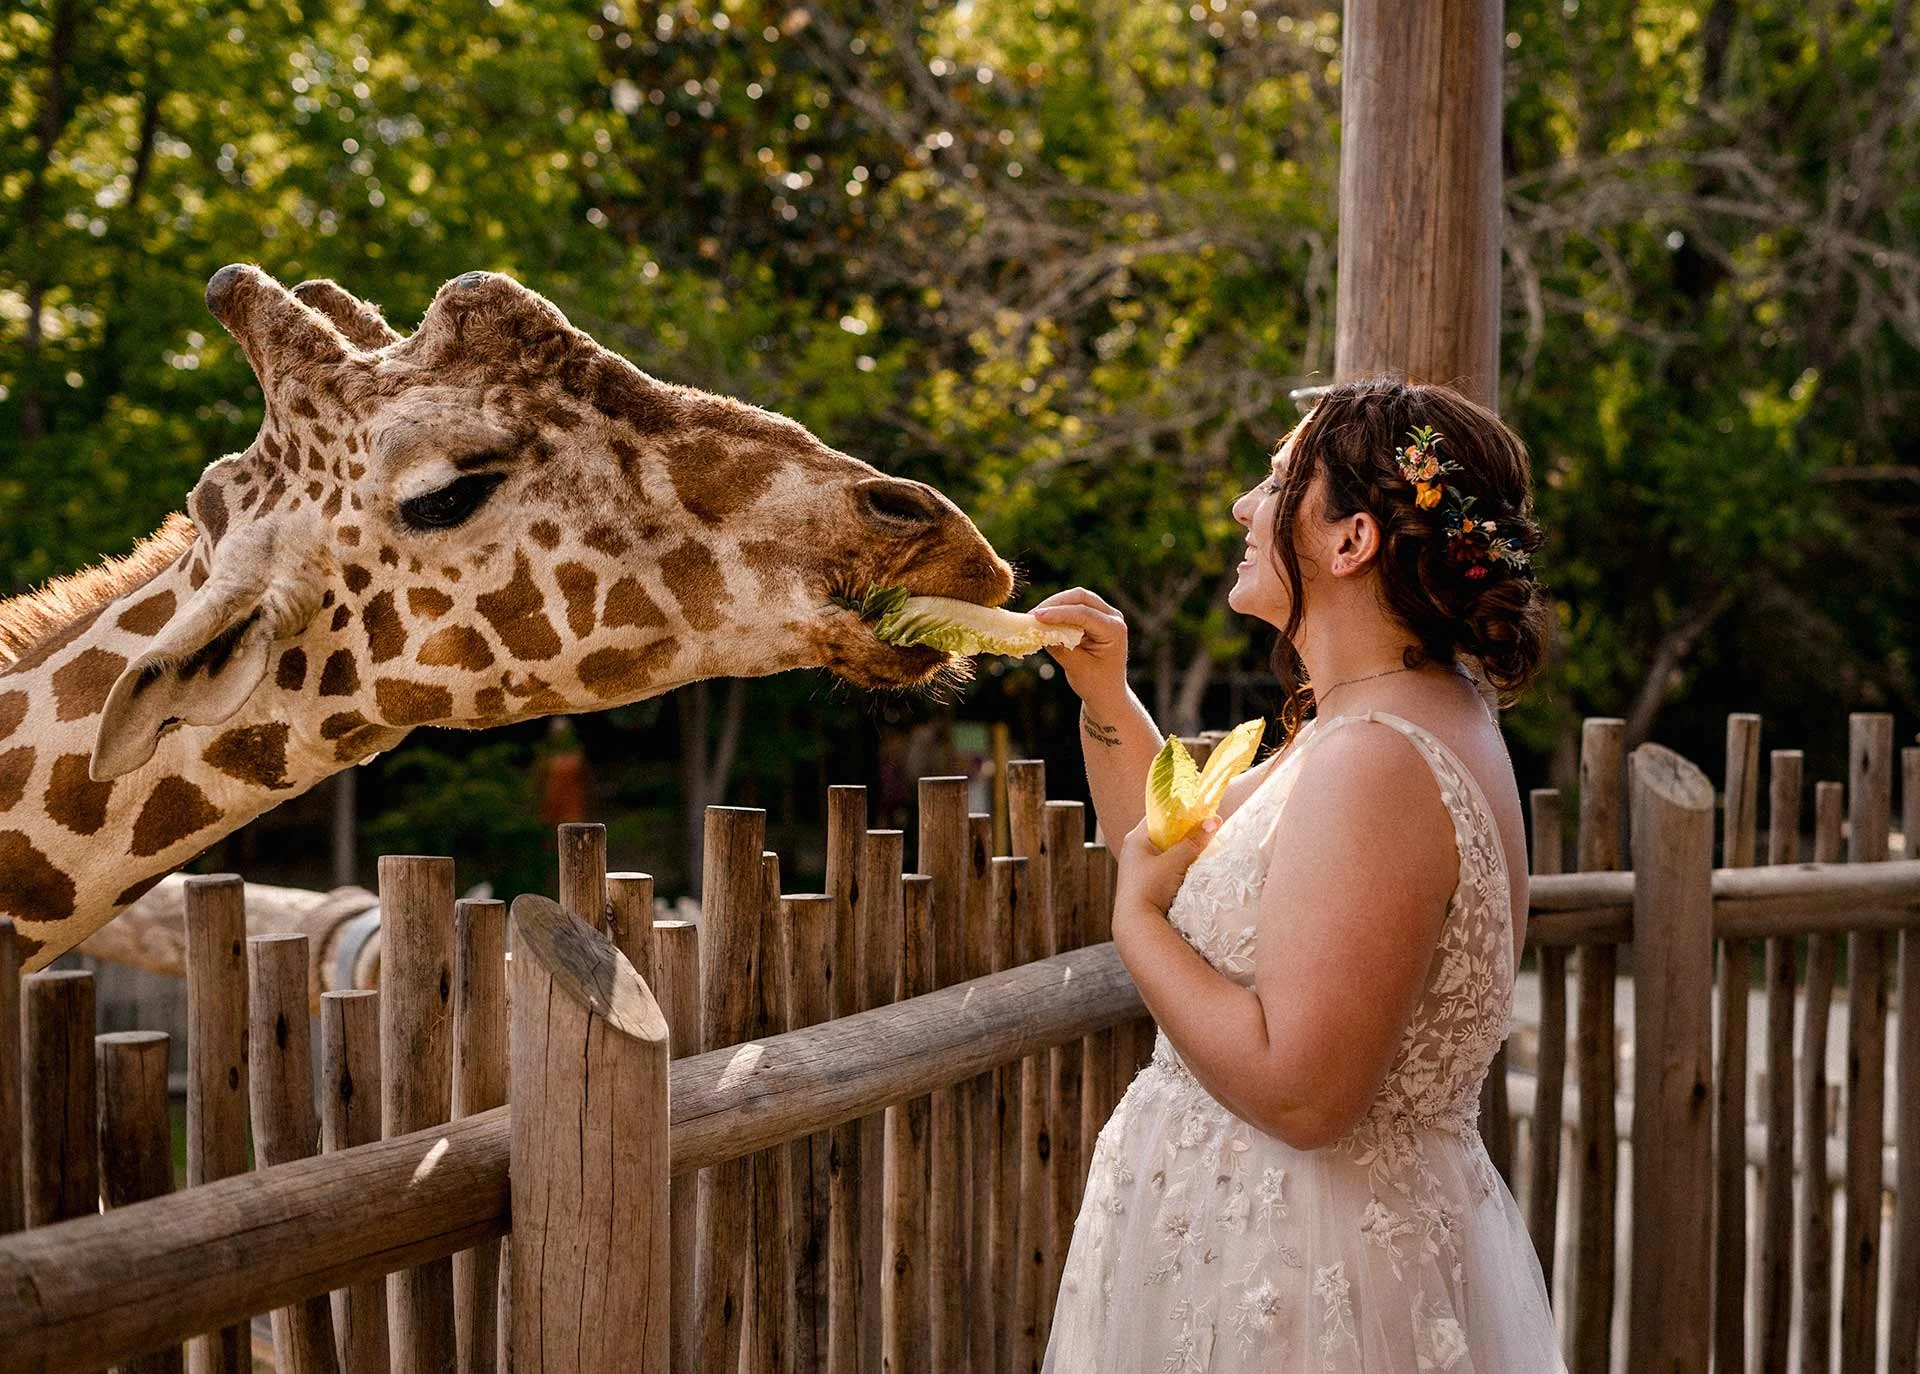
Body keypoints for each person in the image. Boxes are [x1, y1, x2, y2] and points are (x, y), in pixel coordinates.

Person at [1027, 377, 1565, 1371]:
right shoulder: (1372, 721)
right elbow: (1180, 844)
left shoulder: (1378, 758)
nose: (1244, 506)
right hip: (1270, 1237)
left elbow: (1306, 1095)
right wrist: (1104, 691)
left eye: (1276, 484)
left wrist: (1133, 928)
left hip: (1299, 1268)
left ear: (1350, 540)